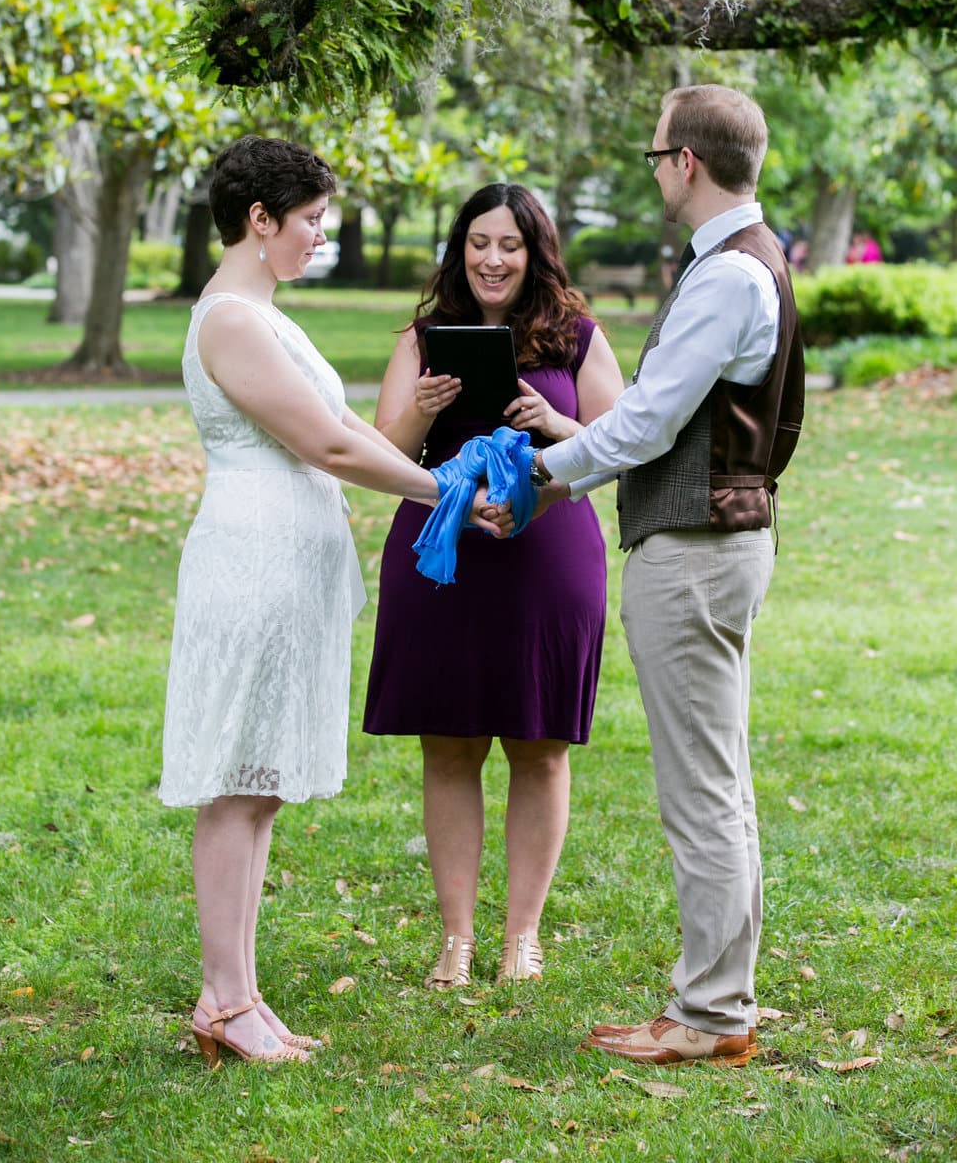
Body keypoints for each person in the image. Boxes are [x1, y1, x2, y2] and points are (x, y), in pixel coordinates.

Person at [159, 135, 508, 1069]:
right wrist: (451, 499)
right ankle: (225, 1001)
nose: (321, 235)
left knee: (260, 785)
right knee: (238, 782)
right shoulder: (232, 319)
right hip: (255, 557)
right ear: (259, 220)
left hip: (289, 562)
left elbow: (354, 425)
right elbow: (331, 447)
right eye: (309, 221)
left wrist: (440, 474)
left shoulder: (269, 314)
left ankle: (234, 995)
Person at [530, 85, 804, 1068]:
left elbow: (646, 424)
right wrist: (573, 446)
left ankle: (708, 1013)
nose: (654, 171)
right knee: (714, 785)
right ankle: (718, 1004)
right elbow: (660, 416)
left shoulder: (728, 275)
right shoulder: (746, 261)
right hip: (713, 539)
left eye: (655, 156)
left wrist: (537, 477)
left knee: (701, 793)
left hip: (693, 550)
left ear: (685, 162)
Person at [363, 183, 624, 989]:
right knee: (448, 746)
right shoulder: (423, 335)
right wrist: (422, 407)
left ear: (535, 252)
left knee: (540, 750)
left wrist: (556, 426)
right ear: (459, 249)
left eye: (509, 244)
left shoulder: (578, 336)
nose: (492, 259)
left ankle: (523, 939)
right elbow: (384, 452)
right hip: (444, 556)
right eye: (478, 242)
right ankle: (457, 940)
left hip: (546, 559)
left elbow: (620, 447)